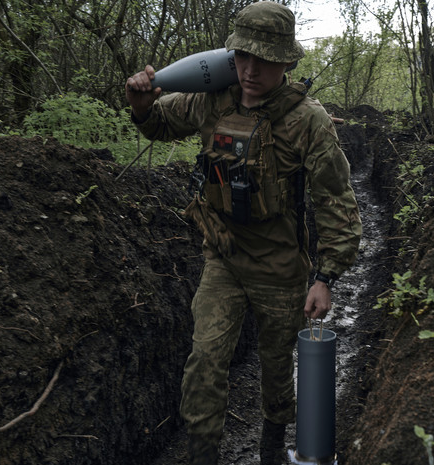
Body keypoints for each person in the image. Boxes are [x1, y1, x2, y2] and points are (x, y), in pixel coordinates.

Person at [125, 2, 361, 464]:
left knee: (276, 375)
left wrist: (325, 278)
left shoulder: (307, 120)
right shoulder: (213, 97)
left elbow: (336, 202)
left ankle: (271, 448)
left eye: (265, 60)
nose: (251, 70)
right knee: (204, 361)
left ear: (287, 62)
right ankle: (202, 455)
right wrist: (141, 107)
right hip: (224, 258)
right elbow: (161, 124)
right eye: (243, 58)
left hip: (280, 270)